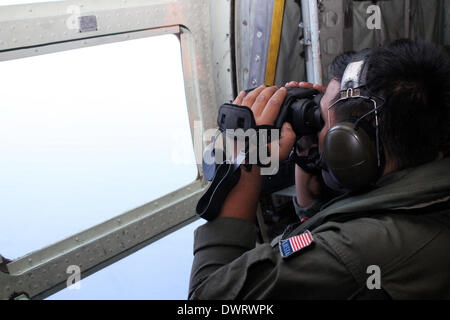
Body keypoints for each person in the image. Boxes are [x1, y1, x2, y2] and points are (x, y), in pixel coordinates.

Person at [189, 39, 450, 299]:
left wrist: (243, 163)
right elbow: (317, 217)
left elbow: (206, 299)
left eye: (322, 120)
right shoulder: (421, 177)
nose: (316, 128)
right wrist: (308, 147)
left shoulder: (362, 249)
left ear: (351, 144)